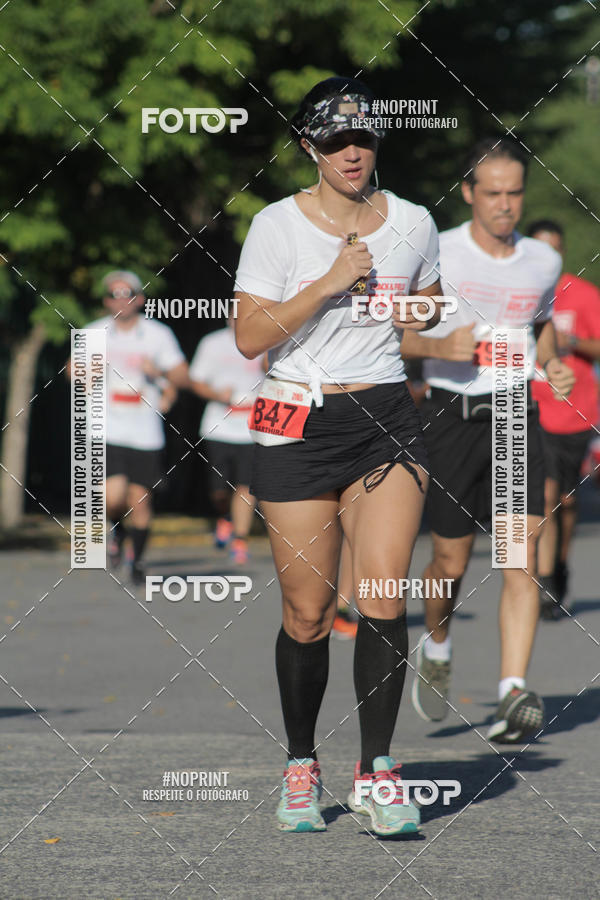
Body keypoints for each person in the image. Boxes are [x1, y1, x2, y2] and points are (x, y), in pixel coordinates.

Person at [234, 76, 443, 835]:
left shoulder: (415, 222)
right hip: (294, 416)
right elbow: (251, 338)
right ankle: (300, 763)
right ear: (307, 148)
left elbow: (426, 309)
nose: (351, 153)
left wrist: (426, 316)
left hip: (384, 414)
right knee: (307, 610)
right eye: (333, 141)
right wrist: (329, 283)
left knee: (382, 591)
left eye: (361, 138)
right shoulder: (276, 227)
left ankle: (378, 773)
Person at [401, 138, 574, 742]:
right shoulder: (435, 251)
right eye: (492, 193)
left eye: (515, 193)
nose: (505, 205)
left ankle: (511, 694)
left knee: (518, 562)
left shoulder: (541, 261)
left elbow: (540, 326)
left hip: (513, 413)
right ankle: (438, 643)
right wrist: (433, 347)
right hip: (450, 416)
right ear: (470, 193)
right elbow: (386, 333)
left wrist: (551, 365)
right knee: (448, 564)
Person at [88, 270, 188, 583]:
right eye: (114, 294)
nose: (121, 300)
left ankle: (139, 561)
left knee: (140, 501)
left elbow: (183, 376)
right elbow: (70, 371)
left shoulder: (158, 334)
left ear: (139, 299)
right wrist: (83, 369)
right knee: (112, 497)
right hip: (106, 426)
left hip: (145, 430)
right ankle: (116, 531)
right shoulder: (95, 331)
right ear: (106, 301)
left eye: (127, 293)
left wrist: (158, 372)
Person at [527, 220, 600, 619]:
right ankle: (540, 582)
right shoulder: (520, 294)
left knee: (567, 501)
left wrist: (568, 342)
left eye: (554, 250)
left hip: (574, 410)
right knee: (546, 495)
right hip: (532, 408)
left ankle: (560, 567)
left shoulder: (584, 294)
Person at [189, 310, 262, 564]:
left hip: (254, 426)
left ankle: (240, 540)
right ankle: (225, 517)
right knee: (219, 490)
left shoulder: (266, 340)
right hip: (219, 426)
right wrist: (218, 394)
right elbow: (195, 381)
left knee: (246, 486)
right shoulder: (212, 343)